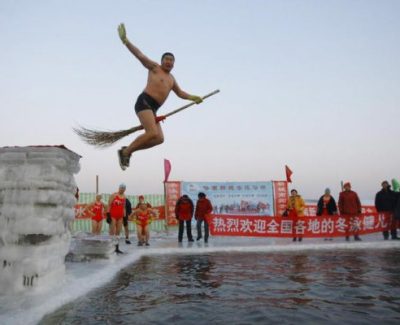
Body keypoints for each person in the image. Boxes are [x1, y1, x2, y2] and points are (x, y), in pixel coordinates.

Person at [116, 23, 203, 170]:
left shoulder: (171, 79)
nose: (169, 62)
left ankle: (128, 150)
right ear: (162, 61)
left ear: (174, 64)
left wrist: (193, 97)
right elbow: (140, 55)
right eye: (167, 59)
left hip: (153, 108)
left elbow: (180, 93)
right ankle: (126, 152)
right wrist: (126, 41)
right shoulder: (155, 68)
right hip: (144, 102)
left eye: (172, 60)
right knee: (152, 133)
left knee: (158, 139)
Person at [107, 184, 127, 254]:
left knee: (118, 232)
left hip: (120, 216)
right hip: (113, 215)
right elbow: (109, 205)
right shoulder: (114, 195)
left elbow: (124, 207)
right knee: (112, 231)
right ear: (119, 188)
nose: (122, 189)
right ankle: (110, 247)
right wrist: (108, 214)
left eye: (124, 189)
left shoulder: (124, 196)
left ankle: (117, 248)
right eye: (121, 188)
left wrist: (124, 217)